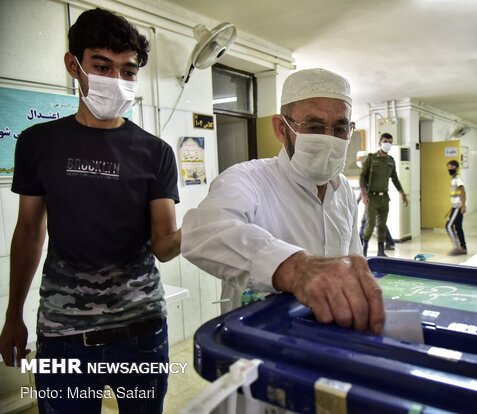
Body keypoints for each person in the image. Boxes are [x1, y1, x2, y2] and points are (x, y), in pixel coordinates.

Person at [0, 8, 181, 414]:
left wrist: (211, 225)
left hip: (141, 331)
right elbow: (29, 231)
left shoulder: (156, 153)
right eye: (102, 66)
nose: (116, 81)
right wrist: (13, 315)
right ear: (73, 65)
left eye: (128, 71)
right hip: (64, 332)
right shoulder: (37, 142)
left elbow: (165, 246)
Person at [181, 68, 385, 335]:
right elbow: (202, 232)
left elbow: (352, 257)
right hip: (260, 344)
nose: (329, 139)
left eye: (340, 128)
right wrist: (297, 269)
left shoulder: (343, 189)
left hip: (331, 338)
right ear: (281, 128)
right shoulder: (247, 180)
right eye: (314, 127)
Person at [359, 133, 408, 257]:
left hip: (384, 198)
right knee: (369, 226)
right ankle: (363, 252)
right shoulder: (371, 158)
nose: (388, 144)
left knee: (382, 226)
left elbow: (395, 178)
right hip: (371, 197)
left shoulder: (391, 161)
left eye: (390, 142)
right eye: (385, 141)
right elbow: (362, 177)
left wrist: (402, 193)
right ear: (380, 142)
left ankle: (381, 252)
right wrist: (364, 194)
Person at [445, 160, 467, 255]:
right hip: (455, 207)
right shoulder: (453, 179)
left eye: (451, 168)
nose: (449, 170)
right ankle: (463, 247)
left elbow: (463, 192)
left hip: (458, 207)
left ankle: (457, 247)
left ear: (456, 168)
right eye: (448, 168)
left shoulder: (458, 178)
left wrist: (463, 205)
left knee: (448, 226)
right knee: (458, 227)